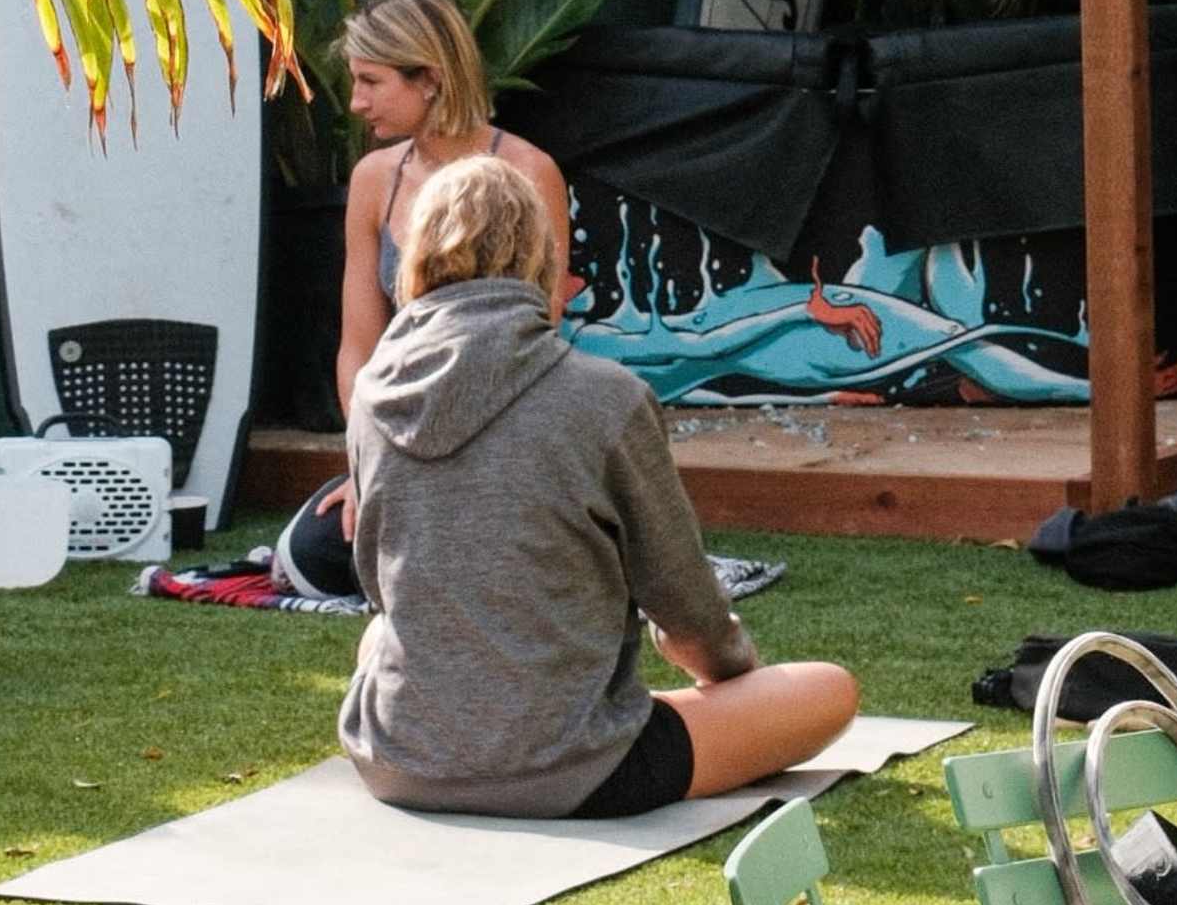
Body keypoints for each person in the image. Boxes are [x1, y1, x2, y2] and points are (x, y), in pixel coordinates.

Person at [339, 152, 857, 819]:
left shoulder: (372, 398)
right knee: (828, 689)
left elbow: (383, 592)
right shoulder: (605, 397)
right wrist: (732, 677)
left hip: (398, 761)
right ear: (541, 259)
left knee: (380, 637)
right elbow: (689, 613)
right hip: (576, 769)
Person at [333, 0, 571, 420]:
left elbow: (538, 336)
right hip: (400, 421)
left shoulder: (530, 172)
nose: (356, 102)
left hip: (503, 422)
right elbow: (358, 348)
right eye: (355, 80)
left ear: (430, 78)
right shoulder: (373, 177)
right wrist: (364, 456)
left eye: (371, 81)